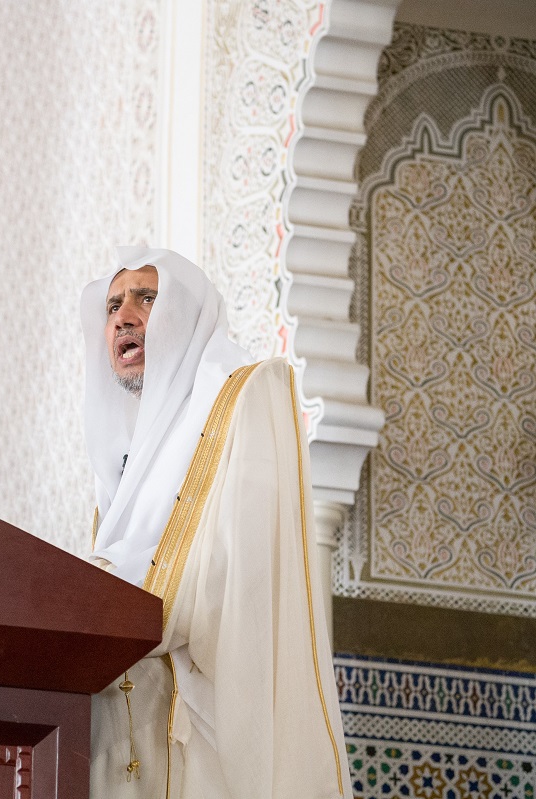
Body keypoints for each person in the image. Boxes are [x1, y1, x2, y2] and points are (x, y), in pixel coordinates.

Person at [83, 247, 352, 799]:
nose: (124, 317)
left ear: (186, 316)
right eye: (112, 306)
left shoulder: (244, 398)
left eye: (147, 299)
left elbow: (240, 572)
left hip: (201, 737)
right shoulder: (121, 465)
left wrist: (98, 592)